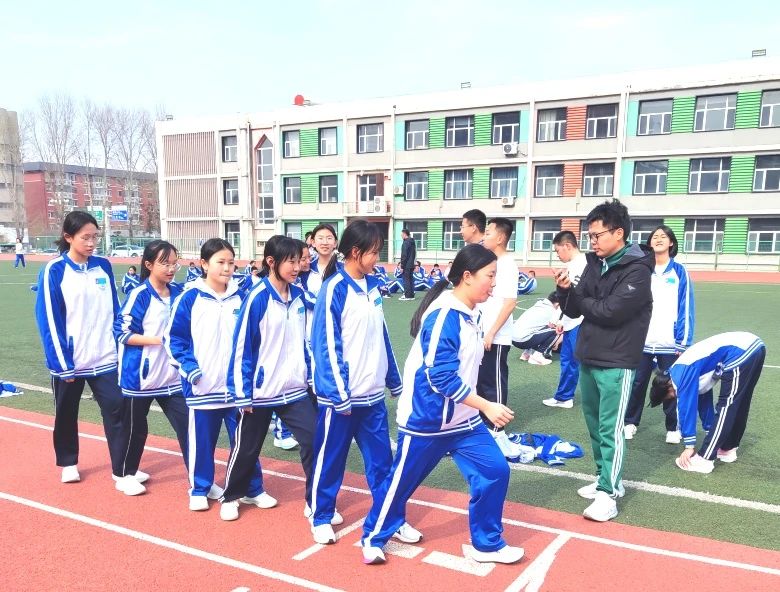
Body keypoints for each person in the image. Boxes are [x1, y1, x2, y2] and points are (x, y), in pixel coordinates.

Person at [360, 244, 523, 566]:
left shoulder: (472, 313)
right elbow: (440, 378)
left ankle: (487, 544)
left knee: (495, 471)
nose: (494, 283)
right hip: (427, 420)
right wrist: (486, 405)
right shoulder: (445, 316)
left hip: (464, 421)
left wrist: (476, 407)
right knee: (400, 484)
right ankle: (373, 537)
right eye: (490, 276)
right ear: (467, 276)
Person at [309, 219, 420, 546]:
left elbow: (380, 335)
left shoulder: (373, 286)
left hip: (372, 398)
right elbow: (325, 345)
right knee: (330, 461)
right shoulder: (334, 289)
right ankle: (321, 516)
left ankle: (391, 519)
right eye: (374, 252)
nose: (378, 258)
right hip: (341, 400)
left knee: (382, 464)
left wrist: (393, 379)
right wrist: (338, 392)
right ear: (355, 252)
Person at [553, 199, 653, 522]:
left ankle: (609, 494)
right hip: (590, 354)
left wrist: (582, 297)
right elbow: (575, 309)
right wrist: (566, 291)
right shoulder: (596, 263)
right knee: (595, 425)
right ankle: (603, 479)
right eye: (590, 236)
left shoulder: (637, 270)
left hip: (618, 360)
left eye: (597, 235)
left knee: (611, 428)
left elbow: (611, 312)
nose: (592, 242)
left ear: (618, 233)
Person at [165, 238, 272, 512]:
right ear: (204, 264)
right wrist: (191, 370)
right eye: (220, 262)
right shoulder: (190, 297)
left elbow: (254, 338)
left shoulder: (242, 296)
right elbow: (173, 339)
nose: (227, 268)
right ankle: (200, 488)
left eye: (231, 262)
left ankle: (252, 488)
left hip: (237, 389)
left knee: (245, 443)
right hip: (203, 386)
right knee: (202, 443)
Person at [220, 236, 317, 521]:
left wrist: (309, 377)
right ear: (271, 262)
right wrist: (243, 393)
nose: (297, 267)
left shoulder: (299, 296)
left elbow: (309, 332)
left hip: (294, 389)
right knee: (247, 448)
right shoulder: (257, 298)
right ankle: (233, 495)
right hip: (260, 391)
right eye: (291, 261)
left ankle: (316, 501)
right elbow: (242, 347)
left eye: (299, 261)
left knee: (314, 440)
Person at [34, 211, 125, 485]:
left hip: (105, 357)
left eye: (95, 237)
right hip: (71, 360)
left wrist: (120, 347)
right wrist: (62, 364)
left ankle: (122, 468)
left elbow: (114, 309)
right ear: (68, 237)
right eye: (85, 237)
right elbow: (49, 320)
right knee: (66, 413)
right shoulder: (54, 270)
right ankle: (68, 462)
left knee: (118, 410)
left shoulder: (103, 266)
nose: (91, 243)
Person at [114, 240, 189, 496]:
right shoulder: (140, 295)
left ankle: (200, 479)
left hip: (173, 377)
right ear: (148, 265)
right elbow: (122, 333)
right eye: (164, 263)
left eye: (174, 263)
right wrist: (160, 340)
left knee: (189, 427)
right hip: (140, 377)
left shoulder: (179, 292)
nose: (171, 269)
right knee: (135, 429)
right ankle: (125, 474)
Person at [649, 332, 764, 474]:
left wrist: (689, 446)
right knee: (740, 403)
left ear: (668, 387)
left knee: (726, 406)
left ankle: (705, 459)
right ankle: (727, 449)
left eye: (670, 397)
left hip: (740, 352)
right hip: (755, 347)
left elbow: (686, 409)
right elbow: (704, 401)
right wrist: (710, 429)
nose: (674, 397)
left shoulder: (680, 376)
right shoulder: (682, 371)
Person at [624, 225, 695, 442]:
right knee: (636, 384)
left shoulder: (679, 272)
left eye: (663, 236)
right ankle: (630, 422)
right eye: (655, 236)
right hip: (642, 341)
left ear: (671, 243)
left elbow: (686, 307)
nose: (658, 239)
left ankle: (673, 428)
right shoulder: (641, 270)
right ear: (650, 243)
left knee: (670, 384)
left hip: (669, 342)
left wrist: (683, 341)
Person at [477, 217, 521, 458]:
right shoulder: (491, 262)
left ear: (501, 237)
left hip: (496, 336)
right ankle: (483, 425)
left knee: (494, 383)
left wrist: (492, 332)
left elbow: (510, 303)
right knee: (480, 381)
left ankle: (497, 429)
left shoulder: (508, 265)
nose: (484, 236)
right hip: (482, 333)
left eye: (488, 232)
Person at [544, 232, 588, 409]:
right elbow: (568, 298)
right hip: (571, 321)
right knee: (567, 361)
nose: (557, 255)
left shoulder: (583, 264)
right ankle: (564, 396)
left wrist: (563, 319)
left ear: (567, 246)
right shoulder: (573, 265)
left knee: (574, 362)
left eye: (557, 250)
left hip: (580, 322)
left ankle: (566, 397)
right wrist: (561, 320)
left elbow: (577, 298)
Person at [511, 292, 562, 366]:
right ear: (557, 304)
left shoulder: (538, 305)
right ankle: (538, 356)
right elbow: (560, 328)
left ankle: (527, 353)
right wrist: (556, 343)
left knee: (536, 328)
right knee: (556, 330)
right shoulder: (552, 311)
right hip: (523, 340)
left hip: (513, 339)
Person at [307, 223, 339, 296]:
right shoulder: (307, 269)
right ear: (313, 242)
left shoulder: (343, 268)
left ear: (335, 243)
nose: (325, 242)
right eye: (320, 238)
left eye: (329, 238)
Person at [399, 228, 416, 301]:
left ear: (404, 234)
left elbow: (404, 255)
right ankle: (411, 295)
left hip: (406, 265)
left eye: (401, 234)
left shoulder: (406, 243)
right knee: (410, 279)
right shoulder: (412, 242)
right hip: (411, 264)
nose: (401, 236)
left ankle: (407, 296)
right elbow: (414, 254)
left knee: (406, 280)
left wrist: (402, 266)